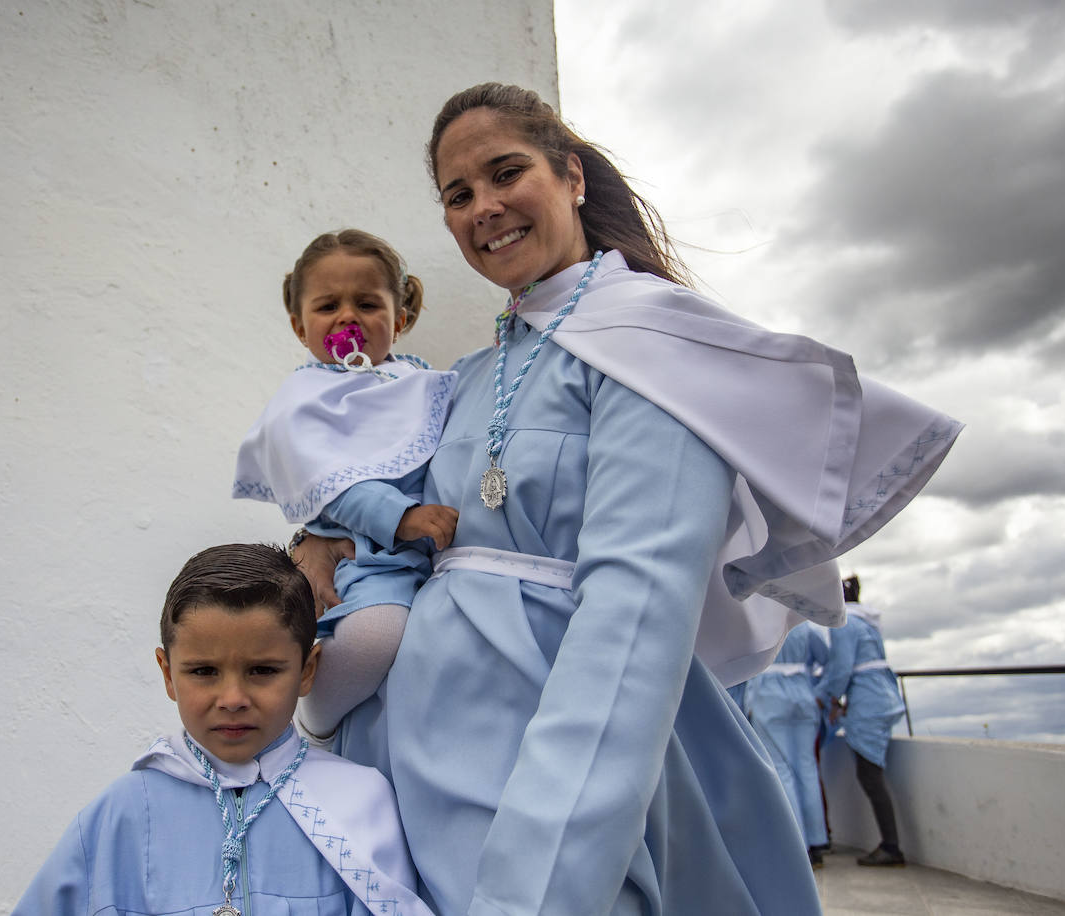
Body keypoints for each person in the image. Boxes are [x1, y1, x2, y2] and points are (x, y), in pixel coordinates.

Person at [292, 82, 961, 915]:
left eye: (507, 173)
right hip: (417, 772)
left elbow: (632, 623)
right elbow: (392, 518)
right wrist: (317, 538)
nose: (484, 207)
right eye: (458, 195)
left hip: (551, 782)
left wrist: (539, 885)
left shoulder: (658, 351)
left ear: (572, 176)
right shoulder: (465, 377)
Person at [12, 543, 433, 916]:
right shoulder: (121, 812)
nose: (233, 698)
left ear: (307, 671)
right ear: (168, 674)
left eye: (263, 670)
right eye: (204, 671)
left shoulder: (360, 801)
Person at [232, 230, 458, 760]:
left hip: (438, 560)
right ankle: (317, 727)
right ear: (299, 325)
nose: (347, 318)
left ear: (400, 317)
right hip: (369, 558)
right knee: (374, 637)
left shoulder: (420, 381)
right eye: (328, 305)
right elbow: (327, 486)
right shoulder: (303, 398)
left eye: (368, 303)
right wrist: (401, 517)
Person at [816, 574, 909, 867]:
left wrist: (827, 697)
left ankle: (891, 847)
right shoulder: (868, 622)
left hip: (868, 700)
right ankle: (890, 844)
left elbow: (841, 668)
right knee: (873, 774)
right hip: (884, 694)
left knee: (870, 775)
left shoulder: (846, 623)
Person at [746, 623, 833, 867]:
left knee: (782, 770)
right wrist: (821, 693)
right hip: (804, 696)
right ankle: (817, 842)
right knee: (808, 769)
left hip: (769, 696)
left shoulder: (761, 619)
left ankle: (797, 845)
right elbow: (830, 660)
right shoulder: (805, 625)